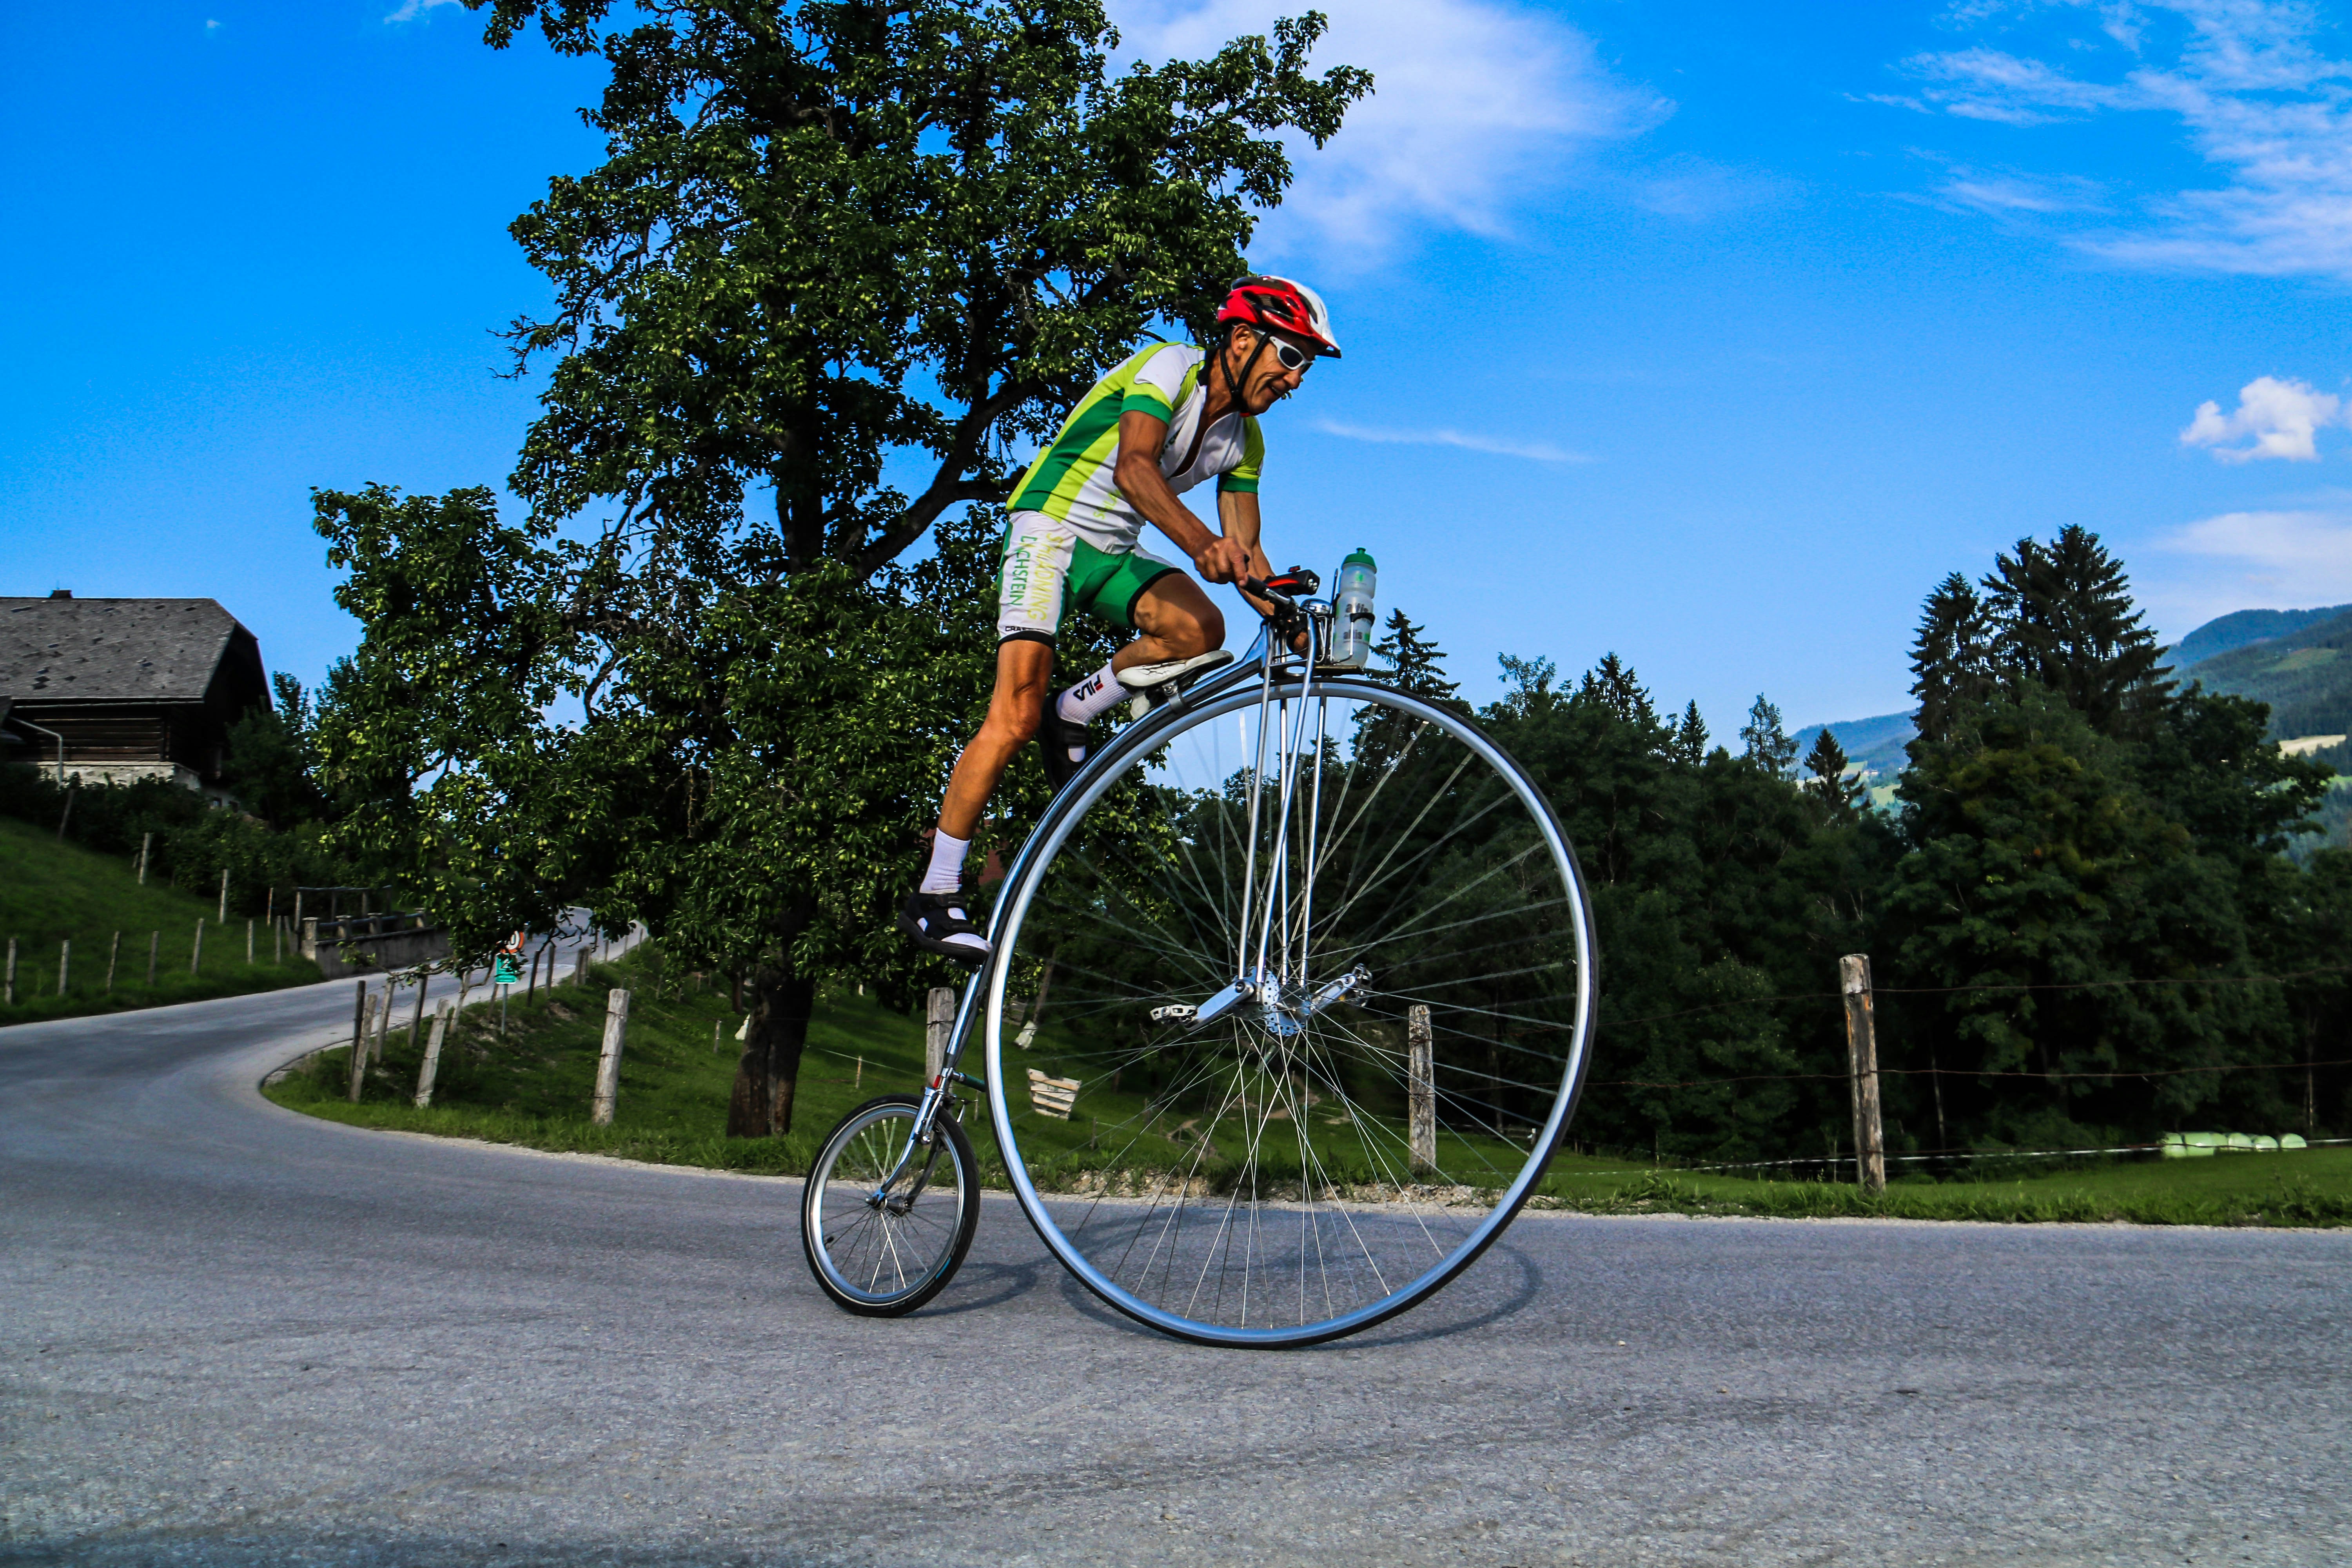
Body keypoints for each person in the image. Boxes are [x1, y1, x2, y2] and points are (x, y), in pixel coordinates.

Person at [901, 275, 1342, 963]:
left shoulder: (1245, 443)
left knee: (1199, 629)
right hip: (1048, 532)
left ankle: (1073, 712)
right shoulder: (1170, 367)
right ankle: (935, 892)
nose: (1296, 381)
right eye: (1292, 359)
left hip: (1113, 550)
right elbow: (1137, 469)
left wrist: (1288, 618)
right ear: (1244, 339)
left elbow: (1248, 553)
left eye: (1306, 367)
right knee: (1012, 717)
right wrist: (1201, 547)